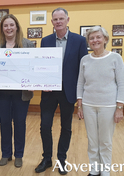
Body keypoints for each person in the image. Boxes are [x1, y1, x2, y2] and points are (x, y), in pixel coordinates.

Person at [35, 8, 88, 175]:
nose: (58, 21)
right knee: (45, 126)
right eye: (55, 19)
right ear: (52, 22)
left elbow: (83, 68)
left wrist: (81, 95)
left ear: (67, 20)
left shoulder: (79, 40)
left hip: (69, 92)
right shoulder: (45, 40)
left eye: (61, 18)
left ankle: (61, 159)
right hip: (49, 92)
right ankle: (47, 158)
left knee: (66, 127)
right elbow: (42, 66)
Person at [77, 26, 124, 176]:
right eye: (91, 38)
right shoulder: (85, 59)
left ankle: (105, 170)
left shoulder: (115, 58)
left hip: (109, 106)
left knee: (105, 141)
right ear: (88, 42)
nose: (95, 40)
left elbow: (122, 84)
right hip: (88, 105)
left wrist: (120, 107)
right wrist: (79, 105)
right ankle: (94, 169)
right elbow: (80, 83)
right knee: (92, 141)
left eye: (98, 37)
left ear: (105, 39)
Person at [0, 14, 34, 168]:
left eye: (11, 25)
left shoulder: (27, 44)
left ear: (17, 27)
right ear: (2, 29)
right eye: (5, 26)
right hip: (1, 93)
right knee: (4, 123)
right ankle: (6, 154)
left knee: (20, 123)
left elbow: (32, 67)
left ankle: (19, 155)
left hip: (21, 93)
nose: (8, 28)